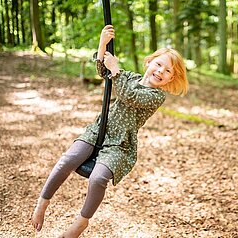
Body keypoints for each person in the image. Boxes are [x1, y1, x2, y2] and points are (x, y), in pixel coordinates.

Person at [31, 25, 188, 238]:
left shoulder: (156, 96)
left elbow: (128, 95)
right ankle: (43, 201)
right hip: (99, 130)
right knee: (68, 160)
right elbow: (104, 72)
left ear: (171, 79)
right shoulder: (129, 76)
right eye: (159, 64)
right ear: (149, 62)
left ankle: (81, 222)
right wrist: (103, 44)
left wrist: (116, 70)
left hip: (120, 144)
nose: (160, 71)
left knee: (98, 178)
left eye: (167, 71)